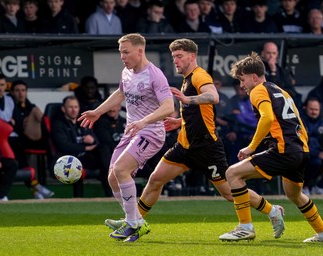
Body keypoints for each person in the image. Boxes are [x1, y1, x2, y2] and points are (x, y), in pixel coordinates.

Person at [105, 38, 286, 242]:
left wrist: (187, 99)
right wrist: (179, 121)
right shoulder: (187, 78)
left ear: (192, 57)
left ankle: (273, 211)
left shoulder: (200, 76)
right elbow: (201, 113)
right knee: (155, 180)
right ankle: (133, 221)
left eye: (180, 56)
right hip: (185, 145)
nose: (176, 61)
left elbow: (213, 97)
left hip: (206, 147)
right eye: (174, 57)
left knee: (228, 192)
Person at [218, 51, 323, 243]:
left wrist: (251, 147)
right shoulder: (280, 90)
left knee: (232, 174)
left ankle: (244, 227)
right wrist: (302, 148)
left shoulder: (258, 90)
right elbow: (298, 122)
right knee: (295, 195)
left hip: (284, 149)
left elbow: (267, 118)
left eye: (242, 80)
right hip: (300, 150)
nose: (241, 85)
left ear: (254, 77)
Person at [78, 33, 175, 242]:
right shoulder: (127, 72)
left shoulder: (155, 75)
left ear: (140, 51)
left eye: (126, 52)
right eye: (121, 52)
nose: (122, 56)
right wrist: (98, 111)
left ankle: (132, 224)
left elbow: (169, 106)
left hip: (150, 132)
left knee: (122, 170)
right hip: (132, 132)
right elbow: (120, 94)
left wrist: (144, 121)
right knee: (112, 176)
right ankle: (135, 220)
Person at [51, 96, 111, 197]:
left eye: (76, 107)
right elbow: (64, 146)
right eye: (70, 107)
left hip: (86, 158)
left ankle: (112, 188)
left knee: (103, 149)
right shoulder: (58, 124)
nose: (74, 110)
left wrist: (93, 141)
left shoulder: (83, 122)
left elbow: (96, 142)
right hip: (69, 159)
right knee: (77, 165)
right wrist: (85, 148)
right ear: (63, 109)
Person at [10, 80, 54, 199]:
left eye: (23, 90)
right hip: (16, 140)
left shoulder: (30, 106)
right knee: (15, 144)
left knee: (39, 116)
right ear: (12, 92)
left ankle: (52, 162)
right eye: (17, 90)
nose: (21, 93)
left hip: (34, 140)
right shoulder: (9, 105)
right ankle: (35, 187)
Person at [261, 41, 302, 109]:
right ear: (263, 54)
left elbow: (290, 89)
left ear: (277, 54)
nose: (271, 56)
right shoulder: (257, 70)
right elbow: (269, 89)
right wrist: (273, 72)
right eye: (268, 53)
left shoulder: (283, 71)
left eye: (274, 53)